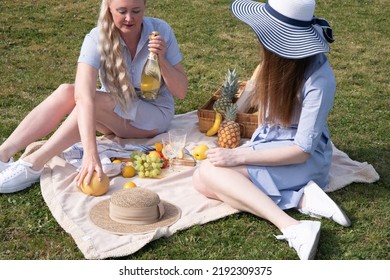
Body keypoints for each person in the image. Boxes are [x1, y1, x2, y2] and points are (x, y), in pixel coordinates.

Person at [193, 0, 350, 260]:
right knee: (201, 181)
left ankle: (293, 226)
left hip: (302, 159)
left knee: (208, 173)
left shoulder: (320, 80)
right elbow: (249, 104)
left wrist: (237, 156)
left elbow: (301, 151)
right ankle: (302, 199)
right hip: (271, 145)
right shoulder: (275, 63)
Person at [0, 0, 187, 193]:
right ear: (109, 8)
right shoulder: (97, 38)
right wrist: (90, 153)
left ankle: (33, 163)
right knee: (67, 91)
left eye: (136, 11)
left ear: (145, 7)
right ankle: (3, 154)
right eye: (122, 11)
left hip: (154, 117)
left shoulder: (160, 30)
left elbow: (181, 92)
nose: (130, 18)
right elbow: (82, 96)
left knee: (95, 101)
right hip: (117, 113)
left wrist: (161, 59)